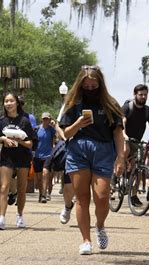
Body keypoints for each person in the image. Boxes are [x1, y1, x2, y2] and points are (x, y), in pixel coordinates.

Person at [59, 65, 124, 255]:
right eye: (86, 86)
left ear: (100, 84)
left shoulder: (110, 104)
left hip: (103, 150)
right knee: (82, 198)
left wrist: (120, 157)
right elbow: (65, 133)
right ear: (80, 85)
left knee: (102, 197)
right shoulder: (73, 103)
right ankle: (85, 240)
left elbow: (118, 133)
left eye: (93, 86)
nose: (90, 89)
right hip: (78, 150)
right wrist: (78, 123)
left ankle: (100, 225)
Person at [0, 93, 36, 230]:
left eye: (11, 101)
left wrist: (19, 141)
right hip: (7, 156)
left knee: (21, 189)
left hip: (23, 157)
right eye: (6, 101)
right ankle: (1, 218)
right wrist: (3, 139)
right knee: (4, 187)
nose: (8, 103)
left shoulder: (25, 121)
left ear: (17, 103)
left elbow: (30, 143)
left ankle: (20, 216)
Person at [122, 84, 149, 207]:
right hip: (125, 138)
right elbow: (122, 123)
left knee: (138, 168)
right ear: (135, 94)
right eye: (141, 94)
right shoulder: (127, 107)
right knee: (125, 150)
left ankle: (133, 195)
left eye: (145, 95)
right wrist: (124, 135)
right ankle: (116, 177)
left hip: (137, 141)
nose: (143, 97)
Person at [33, 112, 56, 203]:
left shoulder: (52, 130)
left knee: (45, 173)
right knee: (38, 178)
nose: (45, 120)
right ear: (42, 119)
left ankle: (44, 194)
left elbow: (55, 140)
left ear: (50, 120)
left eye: (47, 119)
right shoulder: (37, 129)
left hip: (48, 155)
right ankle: (40, 193)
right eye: (44, 119)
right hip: (37, 155)